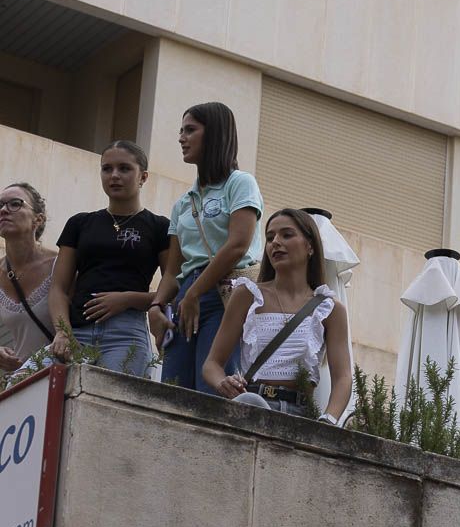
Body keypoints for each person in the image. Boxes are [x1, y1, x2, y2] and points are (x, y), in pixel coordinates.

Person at [150, 102, 263, 394]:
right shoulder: (183, 203)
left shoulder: (240, 183)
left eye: (190, 130)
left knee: (212, 389)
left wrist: (197, 292)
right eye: (180, 130)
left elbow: (238, 245)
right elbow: (173, 271)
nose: (181, 138)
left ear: (214, 133)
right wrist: (156, 306)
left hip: (224, 293)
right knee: (173, 391)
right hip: (186, 295)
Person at [202, 209, 351, 423]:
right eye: (270, 237)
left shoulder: (330, 309)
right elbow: (212, 364)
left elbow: (343, 377)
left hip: (301, 414)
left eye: (287, 235)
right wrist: (222, 383)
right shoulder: (247, 295)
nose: (276, 242)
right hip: (250, 404)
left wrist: (328, 419)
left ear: (310, 246)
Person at [48, 142, 170, 376]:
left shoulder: (159, 227)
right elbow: (58, 289)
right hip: (76, 331)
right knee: (21, 385)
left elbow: (173, 290)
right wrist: (62, 331)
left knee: (115, 404)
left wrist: (127, 299)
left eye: (124, 168)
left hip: (125, 334)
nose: (114, 175)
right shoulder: (80, 223)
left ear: (143, 176)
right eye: (107, 169)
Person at [0, 183, 57, 373]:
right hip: (19, 383)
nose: (4, 210)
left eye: (15, 204)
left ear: (38, 219)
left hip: (60, 378)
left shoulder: (61, 265)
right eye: (0, 205)